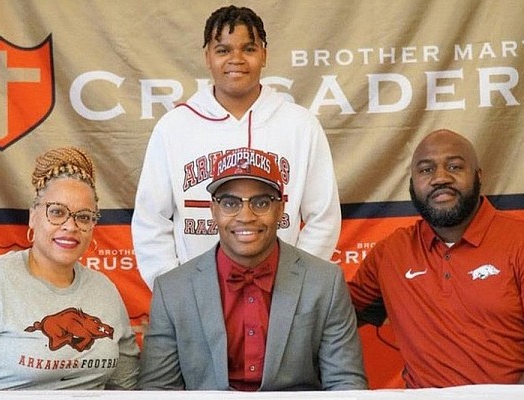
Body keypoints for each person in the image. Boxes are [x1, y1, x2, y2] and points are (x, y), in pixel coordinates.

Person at [131, 5, 341, 289]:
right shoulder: (174, 127)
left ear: (264, 55)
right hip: (197, 291)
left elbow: (323, 217)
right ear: (207, 57)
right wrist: (174, 289)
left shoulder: (300, 125)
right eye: (223, 50)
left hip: (281, 289)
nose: (236, 59)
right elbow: (150, 220)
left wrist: (296, 283)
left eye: (249, 49)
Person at [138, 147, 366, 391]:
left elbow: (345, 384)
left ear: (280, 210)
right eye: (230, 203)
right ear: (213, 211)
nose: (245, 216)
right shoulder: (173, 289)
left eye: (261, 202)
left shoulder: (325, 282)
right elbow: (158, 389)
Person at [349, 129, 524, 388]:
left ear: (478, 176)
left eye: (454, 166)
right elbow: (329, 318)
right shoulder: (391, 253)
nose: (440, 178)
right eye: (426, 170)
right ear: (411, 184)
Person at [0, 147, 140, 390]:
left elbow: (127, 384)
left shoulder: (104, 289)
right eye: (57, 212)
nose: (70, 226)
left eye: (83, 216)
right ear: (33, 217)